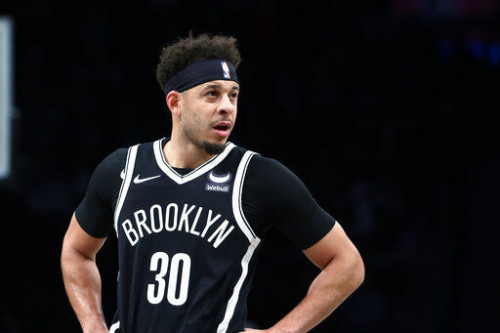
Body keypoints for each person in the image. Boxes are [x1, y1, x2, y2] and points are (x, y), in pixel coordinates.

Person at [61, 32, 365, 333]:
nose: (227, 106)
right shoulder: (121, 170)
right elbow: (75, 251)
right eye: (212, 93)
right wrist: (92, 325)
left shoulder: (257, 177)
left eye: (233, 94)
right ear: (175, 102)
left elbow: (347, 263)